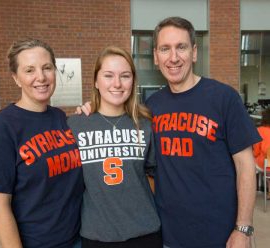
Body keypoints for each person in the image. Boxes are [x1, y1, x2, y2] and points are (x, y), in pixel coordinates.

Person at [78, 17, 261, 248]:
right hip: (168, 236)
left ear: (194, 52)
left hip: (221, 235)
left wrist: (243, 228)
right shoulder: (151, 108)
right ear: (156, 56)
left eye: (181, 47)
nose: (173, 57)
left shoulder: (224, 98)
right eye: (165, 49)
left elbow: (246, 165)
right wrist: (89, 111)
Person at [0, 38, 84, 248]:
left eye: (47, 68)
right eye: (29, 70)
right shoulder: (2, 127)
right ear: (16, 78)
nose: (41, 77)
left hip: (78, 239)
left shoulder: (60, 118)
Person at [67, 46, 162, 248]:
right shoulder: (76, 125)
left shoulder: (144, 124)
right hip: (97, 235)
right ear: (95, 80)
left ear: (133, 81)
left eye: (125, 76)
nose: (117, 84)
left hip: (144, 233)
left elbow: (152, 177)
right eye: (108, 75)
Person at [253, 107, 270, 199]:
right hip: (268, 164)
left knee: (250, 164)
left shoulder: (260, 130)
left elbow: (256, 152)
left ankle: (251, 190)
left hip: (264, 164)